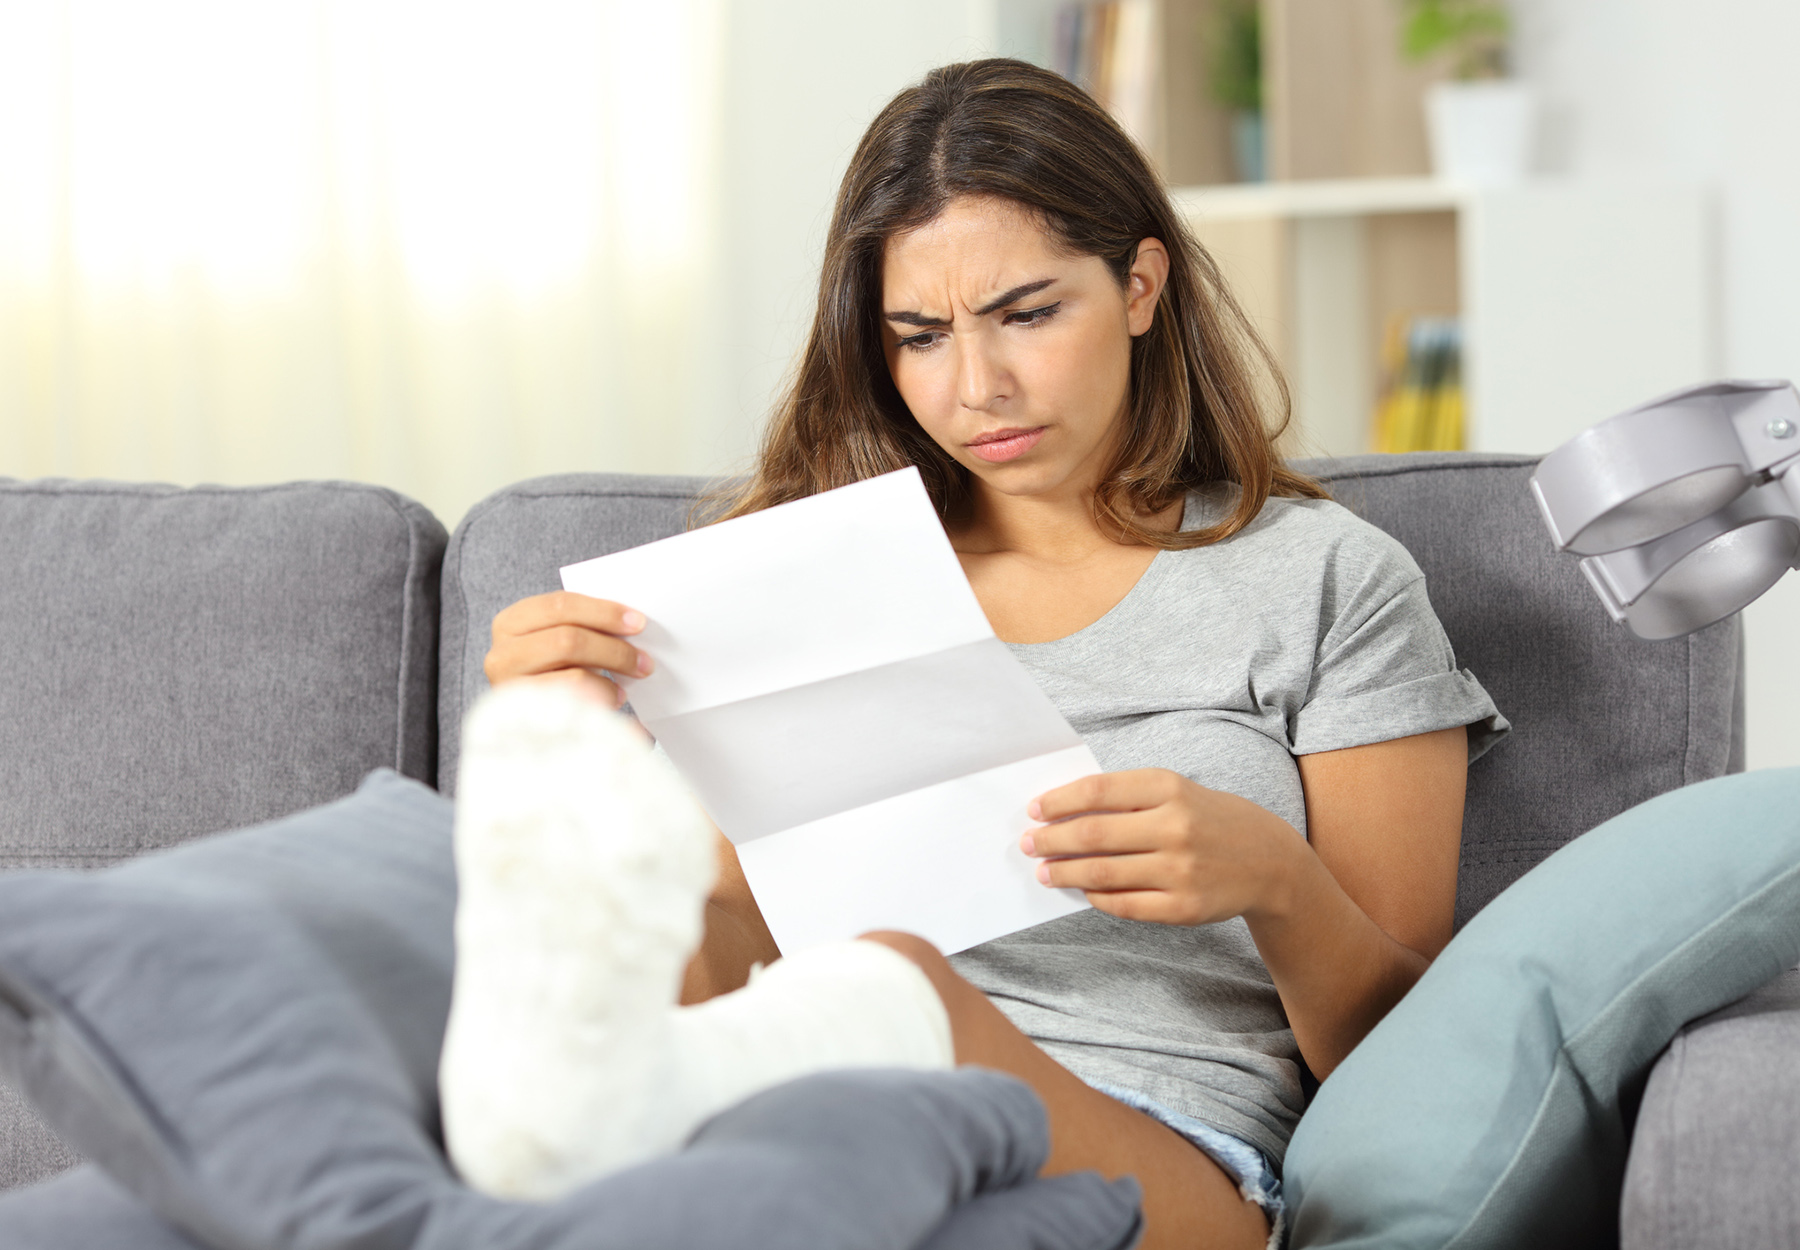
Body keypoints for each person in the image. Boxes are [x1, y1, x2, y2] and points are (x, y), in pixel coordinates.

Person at [450, 58, 1505, 1250]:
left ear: (1141, 284)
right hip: (811, 1109)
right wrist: (568, 755)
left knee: (892, 994)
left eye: (1028, 312)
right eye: (919, 335)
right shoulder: (795, 580)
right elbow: (722, 945)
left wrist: (1274, 877)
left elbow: (1414, 1066)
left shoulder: (1328, 578)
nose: (977, 387)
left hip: (1167, 1141)